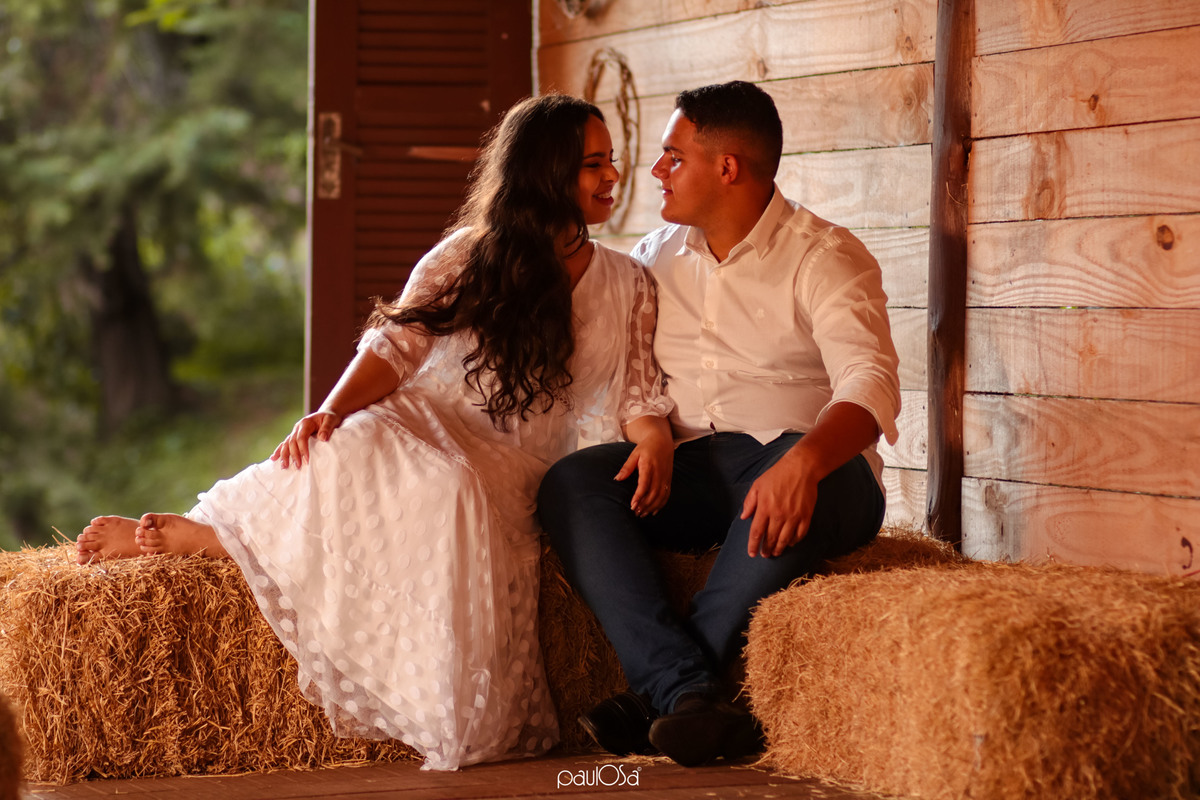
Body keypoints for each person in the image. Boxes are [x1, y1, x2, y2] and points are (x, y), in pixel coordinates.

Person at [74, 94, 676, 771]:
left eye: (610, 160)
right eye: (593, 164)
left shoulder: (628, 281)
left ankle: (227, 546)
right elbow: (396, 348)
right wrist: (329, 410)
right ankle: (213, 536)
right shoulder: (466, 256)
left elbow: (636, 390)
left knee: (449, 488)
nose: (612, 176)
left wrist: (653, 437)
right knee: (352, 441)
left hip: (516, 457)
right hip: (432, 414)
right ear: (546, 173)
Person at [537, 81, 901, 768]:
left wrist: (804, 463)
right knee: (573, 481)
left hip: (809, 470)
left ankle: (659, 694)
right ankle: (687, 693)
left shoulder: (824, 255)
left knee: (800, 464)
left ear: (727, 167)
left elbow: (870, 382)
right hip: (694, 471)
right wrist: (650, 432)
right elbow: (630, 379)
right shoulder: (653, 257)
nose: (655, 171)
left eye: (674, 157)